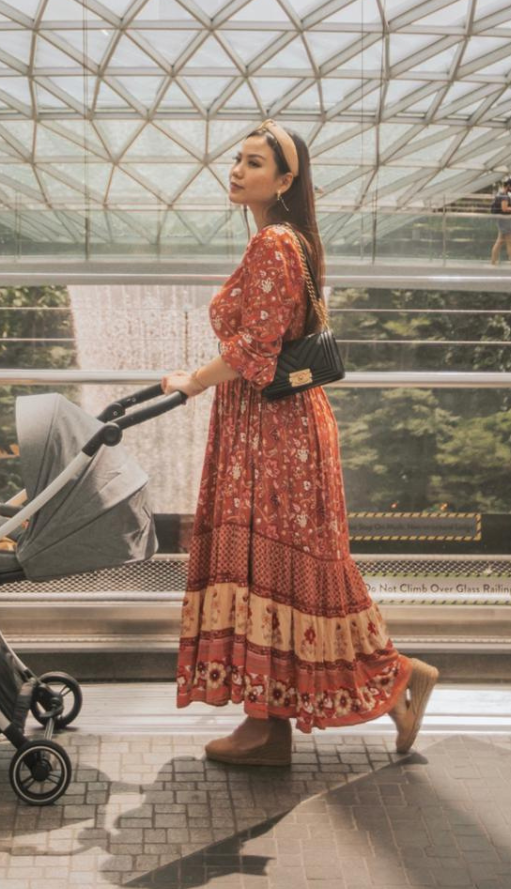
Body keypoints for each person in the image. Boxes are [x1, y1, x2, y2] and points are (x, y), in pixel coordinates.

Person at [161, 119, 439, 766]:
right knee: (278, 571)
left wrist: (192, 381)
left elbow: (254, 350)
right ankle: (269, 725)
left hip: (270, 432)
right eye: (237, 159)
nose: (237, 170)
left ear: (285, 181)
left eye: (254, 163)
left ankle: (390, 681)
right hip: (278, 427)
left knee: (279, 567)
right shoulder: (291, 241)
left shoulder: (273, 245)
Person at [490, 178, 511, 266]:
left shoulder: (500, 194)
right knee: (510, 242)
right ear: (509, 186)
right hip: (505, 220)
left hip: (501, 220)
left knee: (500, 241)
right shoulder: (504, 195)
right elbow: (504, 208)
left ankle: (493, 262)